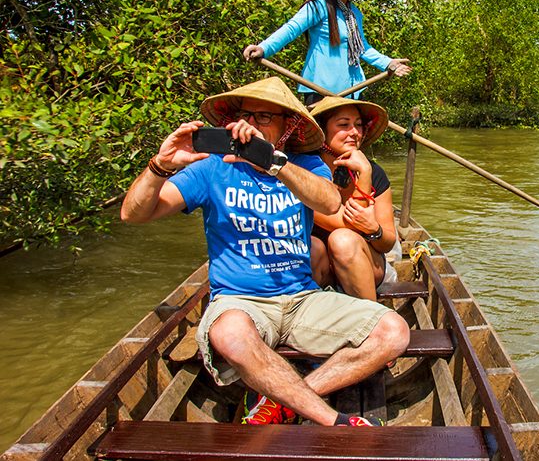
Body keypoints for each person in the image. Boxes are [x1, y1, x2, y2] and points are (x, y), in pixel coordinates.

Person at [120, 77, 410, 427]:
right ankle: (332, 419)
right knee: (228, 334)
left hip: (302, 298)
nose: (251, 124)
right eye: (247, 115)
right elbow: (133, 214)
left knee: (395, 332)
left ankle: (284, 402)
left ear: (286, 129)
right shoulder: (212, 168)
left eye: (264, 117)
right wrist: (160, 166)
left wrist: (272, 163)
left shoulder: (304, 165)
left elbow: (331, 200)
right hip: (241, 300)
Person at [243, 0, 411, 105]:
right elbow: (291, 29)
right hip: (320, 88)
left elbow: (362, 48)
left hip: (352, 89)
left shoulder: (354, 13)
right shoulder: (318, 7)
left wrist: (388, 62)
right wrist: (263, 48)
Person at [308, 96, 397, 301]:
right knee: (314, 246)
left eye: (358, 125)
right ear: (322, 131)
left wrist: (375, 230)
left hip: (363, 261)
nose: (354, 132)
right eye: (343, 125)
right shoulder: (307, 173)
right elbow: (348, 224)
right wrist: (363, 172)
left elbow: (388, 242)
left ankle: (373, 322)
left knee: (343, 241)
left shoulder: (375, 172)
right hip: (320, 266)